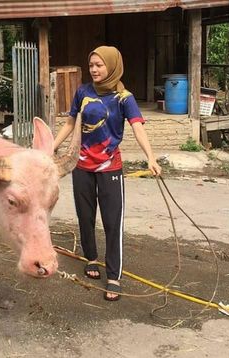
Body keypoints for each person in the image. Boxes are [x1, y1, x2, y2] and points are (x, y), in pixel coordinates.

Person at [53, 46, 162, 301]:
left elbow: (137, 127)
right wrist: (51, 146)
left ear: (112, 66)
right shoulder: (82, 92)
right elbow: (70, 123)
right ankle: (91, 258)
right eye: (91, 65)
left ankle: (114, 276)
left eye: (99, 65)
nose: (94, 70)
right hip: (82, 166)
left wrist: (151, 157)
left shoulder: (125, 97)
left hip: (110, 167)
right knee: (85, 216)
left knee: (113, 223)